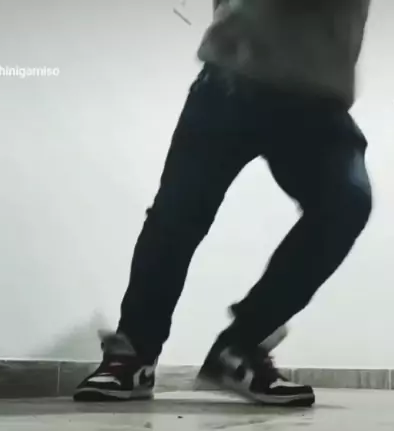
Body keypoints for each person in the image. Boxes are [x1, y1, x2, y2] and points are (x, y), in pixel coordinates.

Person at [72, 0, 372, 407]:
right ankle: (134, 354)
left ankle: (240, 348)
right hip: (231, 81)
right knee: (176, 216)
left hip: (318, 97)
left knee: (346, 204)